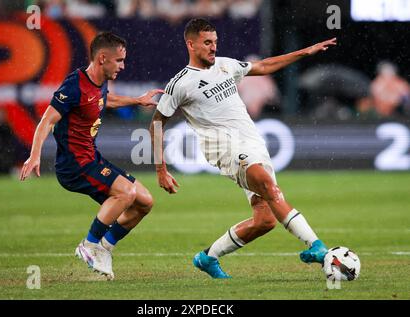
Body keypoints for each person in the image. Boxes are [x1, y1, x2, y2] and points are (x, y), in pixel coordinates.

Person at [150, 18, 336, 278]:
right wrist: (161, 169)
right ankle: (316, 246)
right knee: (268, 185)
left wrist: (304, 51)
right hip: (224, 148)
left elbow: (264, 66)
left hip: (253, 142)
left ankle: (207, 257)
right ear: (190, 44)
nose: (213, 48)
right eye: (207, 43)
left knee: (265, 220)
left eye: (215, 42)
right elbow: (157, 123)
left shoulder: (226, 65)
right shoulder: (180, 84)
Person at [20, 32, 162, 280]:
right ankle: (89, 244)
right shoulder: (74, 86)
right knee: (125, 193)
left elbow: (104, 100)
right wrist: (34, 155)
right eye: (119, 61)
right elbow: (46, 120)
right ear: (102, 58)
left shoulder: (100, 81)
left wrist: (136, 100)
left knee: (144, 202)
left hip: (92, 159)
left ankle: (105, 248)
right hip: (75, 166)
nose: (123, 66)